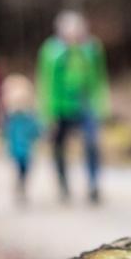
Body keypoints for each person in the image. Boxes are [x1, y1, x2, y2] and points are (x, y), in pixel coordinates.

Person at [37, 10, 110, 204]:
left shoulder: (91, 48)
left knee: (92, 143)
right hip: (60, 106)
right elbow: (46, 82)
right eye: (70, 30)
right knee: (59, 146)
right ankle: (63, 185)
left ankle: (93, 184)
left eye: (78, 29)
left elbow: (99, 78)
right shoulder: (51, 50)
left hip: (85, 103)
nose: (74, 34)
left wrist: (101, 105)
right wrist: (48, 112)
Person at [2, 74, 42, 205]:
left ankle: (21, 187)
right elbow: (7, 134)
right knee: (19, 170)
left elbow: (36, 130)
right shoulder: (12, 119)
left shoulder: (29, 117)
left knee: (25, 170)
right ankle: (20, 187)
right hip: (17, 150)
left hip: (27, 150)